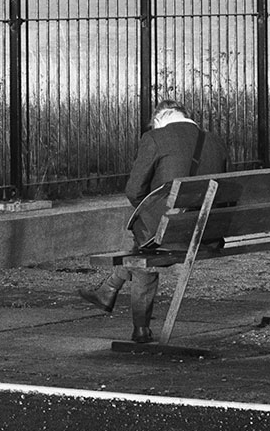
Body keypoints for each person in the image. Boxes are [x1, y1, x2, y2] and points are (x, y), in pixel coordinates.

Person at [78, 99, 229, 342]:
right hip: (207, 234)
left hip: (170, 236)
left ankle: (138, 325)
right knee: (148, 236)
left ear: (160, 119)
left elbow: (134, 190)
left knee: (146, 238)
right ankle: (107, 290)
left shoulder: (155, 138)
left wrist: (151, 211)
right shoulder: (216, 142)